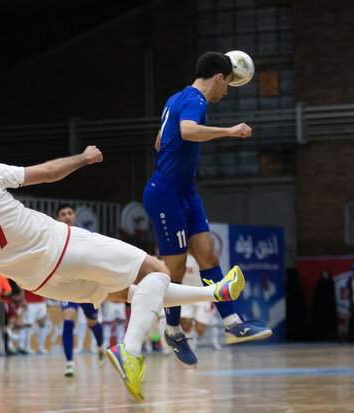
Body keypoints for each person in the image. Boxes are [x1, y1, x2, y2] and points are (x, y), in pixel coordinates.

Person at [0, 139, 245, 401]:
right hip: (62, 246)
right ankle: (129, 351)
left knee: (132, 294)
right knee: (156, 271)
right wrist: (83, 157)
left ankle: (216, 292)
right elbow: (47, 173)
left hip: (41, 281)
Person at [142, 51, 271, 365]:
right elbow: (186, 131)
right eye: (227, 85)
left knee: (209, 255)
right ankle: (173, 331)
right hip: (166, 193)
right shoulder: (195, 101)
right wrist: (229, 131)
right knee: (173, 268)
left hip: (186, 189)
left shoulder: (176, 99)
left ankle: (233, 325)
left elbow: (161, 140)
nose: (226, 92)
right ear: (218, 77)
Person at [55, 204, 105, 377]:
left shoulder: (85, 234)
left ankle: (100, 345)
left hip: (87, 285)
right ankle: (69, 363)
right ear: (58, 219)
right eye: (63, 214)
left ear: (74, 216)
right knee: (68, 319)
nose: (67, 216)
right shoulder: (54, 237)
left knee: (92, 323)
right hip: (67, 285)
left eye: (70, 213)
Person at [179, 254, 220, 351]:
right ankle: (189, 347)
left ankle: (193, 320)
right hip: (186, 291)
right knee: (185, 325)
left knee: (201, 330)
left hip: (202, 292)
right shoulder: (180, 255)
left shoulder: (205, 255)